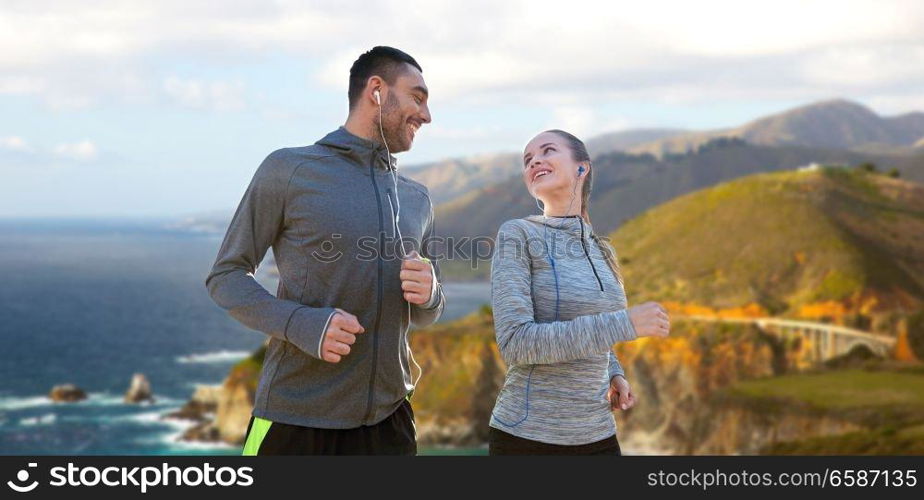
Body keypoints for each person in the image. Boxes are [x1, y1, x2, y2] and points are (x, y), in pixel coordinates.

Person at [205, 46, 444, 455]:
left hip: (391, 426)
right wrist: (301, 323)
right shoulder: (289, 170)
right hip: (295, 422)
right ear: (377, 90)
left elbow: (426, 312)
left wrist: (431, 293)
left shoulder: (417, 198)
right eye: (417, 97)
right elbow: (226, 276)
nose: (426, 115)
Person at [488, 129, 670, 455]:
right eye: (528, 159)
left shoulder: (604, 251)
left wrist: (613, 372)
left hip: (598, 432)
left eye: (547, 151)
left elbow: (594, 327)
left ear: (581, 168)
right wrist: (625, 324)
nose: (535, 161)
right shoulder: (518, 234)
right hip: (529, 437)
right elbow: (516, 343)